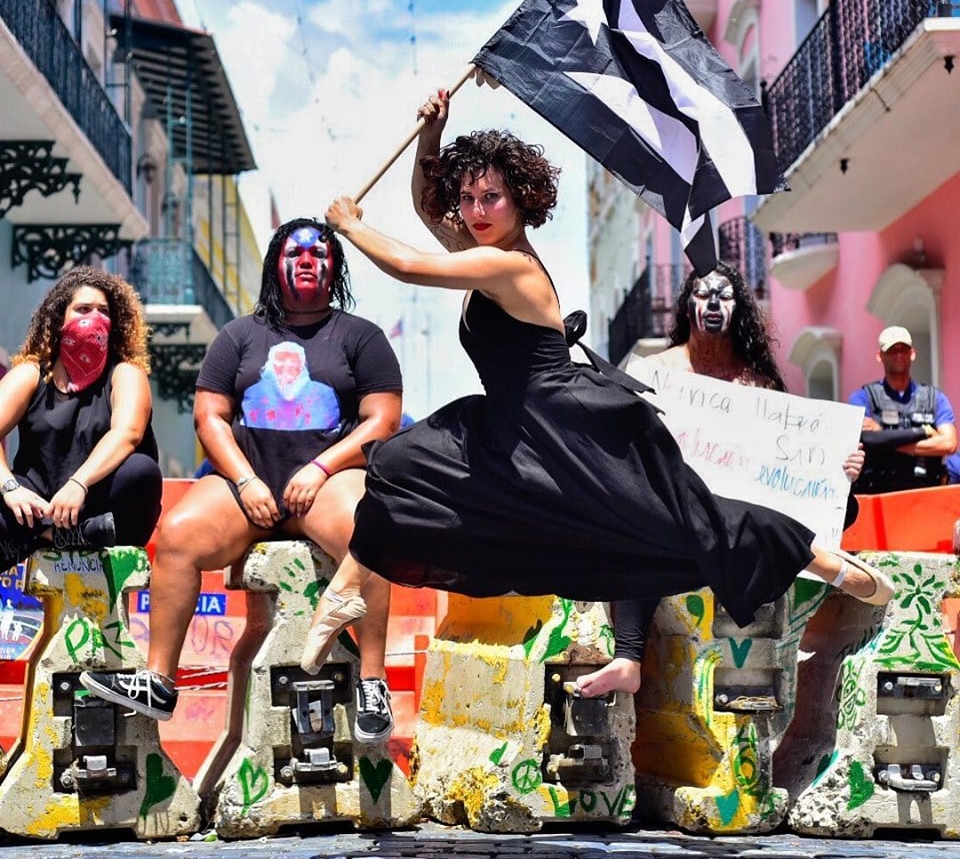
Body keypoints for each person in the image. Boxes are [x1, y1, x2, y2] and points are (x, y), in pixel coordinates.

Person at [299, 89, 894, 693]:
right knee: (403, 462)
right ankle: (351, 588)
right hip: (514, 425)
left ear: (520, 203)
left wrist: (351, 226)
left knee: (680, 522)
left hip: (569, 424)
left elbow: (408, 264)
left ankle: (821, 560)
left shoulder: (509, 266)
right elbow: (431, 210)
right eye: (470, 197)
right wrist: (433, 135)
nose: (477, 210)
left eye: (492, 198)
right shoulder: (482, 250)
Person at [81, 220, 403, 745]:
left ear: (335, 267)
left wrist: (323, 467)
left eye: (319, 252)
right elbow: (209, 416)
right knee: (180, 534)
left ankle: (372, 681)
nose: (306, 259)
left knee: (370, 529)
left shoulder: (360, 336)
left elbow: (383, 420)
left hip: (326, 484)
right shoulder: (239, 335)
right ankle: (160, 680)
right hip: (245, 483)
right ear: (276, 262)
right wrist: (247, 479)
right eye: (294, 251)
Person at [579, 264, 866, 696]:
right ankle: (628, 657)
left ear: (741, 309)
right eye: (703, 293)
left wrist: (842, 468)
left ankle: (823, 562)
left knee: (848, 506)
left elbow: (792, 465)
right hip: (674, 513)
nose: (713, 303)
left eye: (725, 295)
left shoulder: (759, 384)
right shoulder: (656, 372)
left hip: (738, 516)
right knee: (640, 528)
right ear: (687, 304)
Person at [0, 266, 162, 569]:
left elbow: (128, 433)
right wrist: (9, 487)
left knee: (141, 472)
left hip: (99, 505)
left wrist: (80, 483)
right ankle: (48, 533)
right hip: (34, 507)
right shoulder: (31, 374)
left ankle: (49, 536)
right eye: (83, 309)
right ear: (60, 318)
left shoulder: (125, 373)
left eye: (104, 311)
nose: (94, 318)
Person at [848, 326, 957, 494]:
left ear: (912, 353)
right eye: (892, 350)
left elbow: (949, 444)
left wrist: (884, 438)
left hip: (927, 493)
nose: (898, 355)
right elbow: (867, 439)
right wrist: (925, 432)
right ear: (880, 356)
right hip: (878, 494)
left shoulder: (935, 398)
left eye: (903, 349)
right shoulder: (863, 398)